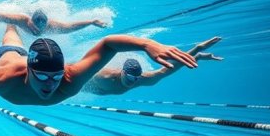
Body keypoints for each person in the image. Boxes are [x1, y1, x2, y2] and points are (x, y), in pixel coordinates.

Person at [0, 21, 197, 105]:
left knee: (13, 36)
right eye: (43, 77)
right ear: (29, 71)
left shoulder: (70, 78)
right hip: (3, 57)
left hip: (23, 53)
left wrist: (146, 44)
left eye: (56, 77)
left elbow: (109, 44)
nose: (50, 84)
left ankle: (12, 23)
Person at [84, 37, 223, 95]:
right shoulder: (103, 76)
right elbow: (80, 71)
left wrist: (197, 51)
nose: (132, 82)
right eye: (130, 77)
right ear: (122, 72)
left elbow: (168, 69)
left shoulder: (143, 79)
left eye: (135, 79)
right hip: (90, 87)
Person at [0, 8, 107, 36]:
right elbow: (2, 16)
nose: (38, 27)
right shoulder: (22, 21)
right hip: (21, 18)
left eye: (42, 23)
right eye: (36, 23)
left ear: (47, 22)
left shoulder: (51, 26)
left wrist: (91, 22)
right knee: (10, 23)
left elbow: (71, 27)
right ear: (31, 21)